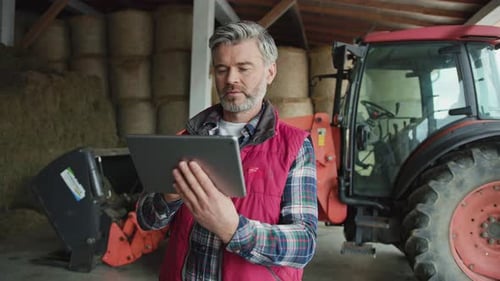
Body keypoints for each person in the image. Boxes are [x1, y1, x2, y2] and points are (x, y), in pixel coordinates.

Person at [136, 20, 318, 281]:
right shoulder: (186, 139)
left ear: (270, 72)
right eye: (222, 69)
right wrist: (168, 197)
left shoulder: (295, 147)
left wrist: (233, 229)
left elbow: (304, 244)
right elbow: (146, 220)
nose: (231, 79)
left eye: (244, 68)